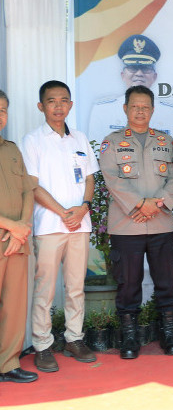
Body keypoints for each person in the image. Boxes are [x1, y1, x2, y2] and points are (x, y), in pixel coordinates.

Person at [99, 85, 173, 359]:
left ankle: (169, 335)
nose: (140, 111)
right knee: (128, 284)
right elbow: (112, 179)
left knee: (167, 282)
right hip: (127, 225)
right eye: (135, 106)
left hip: (160, 223)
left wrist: (156, 204)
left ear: (152, 109)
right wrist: (140, 204)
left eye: (145, 107)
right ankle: (130, 338)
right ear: (125, 108)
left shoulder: (165, 142)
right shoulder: (111, 142)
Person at [21, 80, 99, 372]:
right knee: (45, 288)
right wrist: (63, 212)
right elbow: (33, 185)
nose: (58, 106)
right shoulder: (32, 140)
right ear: (41, 106)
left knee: (76, 287)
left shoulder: (79, 138)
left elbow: (90, 178)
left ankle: (74, 338)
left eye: (63, 100)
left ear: (70, 105)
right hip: (50, 225)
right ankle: (42, 344)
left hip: (80, 224)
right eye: (51, 101)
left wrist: (82, 209)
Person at [0, 90, 38, 383]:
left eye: (3, 110)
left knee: (14, 306)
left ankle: (8, 363)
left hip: (17, 240)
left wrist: (22, 226)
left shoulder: (12, 149)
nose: (0, 115)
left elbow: (27, 189)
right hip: (7, 233)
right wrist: (11, 226)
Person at [88, 34, 173, 141]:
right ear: (122, 75)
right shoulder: (103, 110)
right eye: (133, 68)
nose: (139, 73)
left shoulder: (172, 113)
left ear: (154, 76)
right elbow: (96, 151)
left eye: (145, 68)